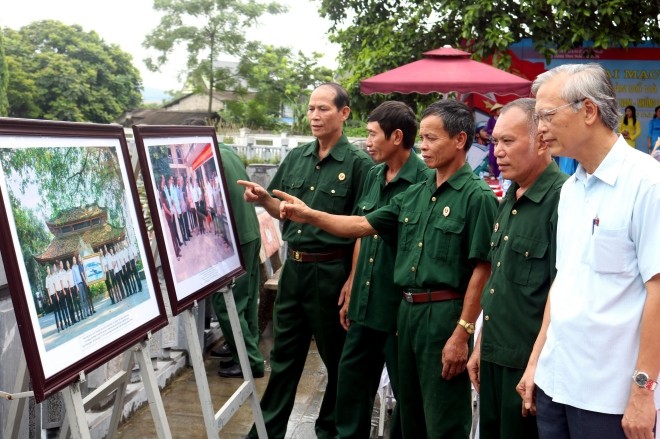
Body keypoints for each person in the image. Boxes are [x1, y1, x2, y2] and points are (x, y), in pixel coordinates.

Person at [269, 99, 498, 438]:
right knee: (408, 414)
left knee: (442, 417)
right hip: (404, 311)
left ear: (460, 140)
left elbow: (483, 268)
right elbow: (360, 225)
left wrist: (462, 331)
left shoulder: (477, 197)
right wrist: (308, 215)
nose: (423, 146)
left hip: (443, 315)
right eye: (423, 138)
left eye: (432, 139)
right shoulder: (419, 193)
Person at [516, 63, 660, 439]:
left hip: (610, 399)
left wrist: (644, 392)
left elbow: (658, 292)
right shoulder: (570, 190)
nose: (539, 127)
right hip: (555, 385)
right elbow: (564, 282)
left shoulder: (647, 184)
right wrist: (536, 363)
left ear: (589, 111)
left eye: (546, 115)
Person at [240, 82, 373, 439]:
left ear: (344, 113)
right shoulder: (297, 156)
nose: (314, 116)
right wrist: (262, 198)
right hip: (294, 271)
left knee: (337, 361)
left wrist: (352, 279)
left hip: (333, 270)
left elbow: (364, 228)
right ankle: (267, 433)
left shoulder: (359, 165)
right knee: (283, 358)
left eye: (323, 109)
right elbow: (281, 209)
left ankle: (329, 430)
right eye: (311, 109)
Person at [465, 98, 567, 439]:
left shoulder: (563, 199)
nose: (497, 152)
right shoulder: (510, 196)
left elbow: (562, 294)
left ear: (540, 141)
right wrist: (481, 343)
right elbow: (499, 281)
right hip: (494, 354)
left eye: (508, 141)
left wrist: (536, 365)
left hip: (528, 366)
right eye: (495, 142)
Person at [330, 101, 432, 439]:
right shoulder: (374, 175)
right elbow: (362, 229)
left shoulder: (425, 181)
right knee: (352, 386)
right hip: (364, 301)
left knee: (407, 393)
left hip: (398, 308)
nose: (367, 141)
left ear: (397, 136)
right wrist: (351, 281)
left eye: (373, 134)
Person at [211, 143, 265, 380]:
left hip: (236, 239)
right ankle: (241, 353)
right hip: (249, 233)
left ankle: (250, 362)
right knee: (247, 300)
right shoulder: (227, 152)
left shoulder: (211, 157)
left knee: (226, 303)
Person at [487, 103, 503, 177]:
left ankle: (499, 174)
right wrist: (493, 131)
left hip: (501, 140)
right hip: (493, 141)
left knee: (499, 156)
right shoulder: (491, 120)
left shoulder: (503, 119)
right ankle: (492, 173)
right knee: (492, 158)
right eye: (499, 110)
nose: (500, 111)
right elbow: (488, 130)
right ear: (496, 111)